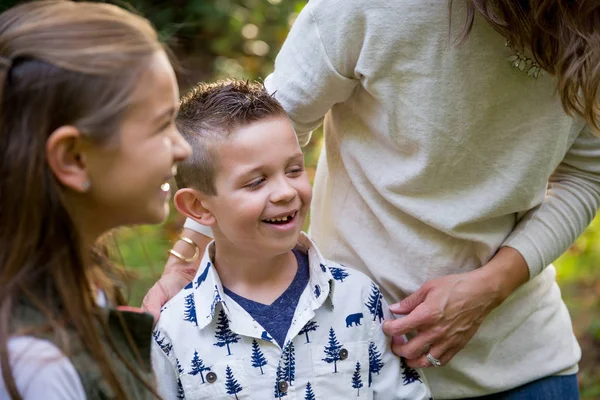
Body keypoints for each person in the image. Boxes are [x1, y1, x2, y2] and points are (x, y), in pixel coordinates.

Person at [144, 0, 600, 398]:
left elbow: (586, 176)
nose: (283, 189)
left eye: (294, 172)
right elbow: (255, 137)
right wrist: (189, 254)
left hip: (522, 364)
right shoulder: (370, 7)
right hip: (344, 351)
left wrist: (492, 286)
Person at [150, 80, 432, 400]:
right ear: (199, 207)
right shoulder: (173, 330)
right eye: (256, 182)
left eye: (294, 169)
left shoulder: (359, 298)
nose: (286, 192)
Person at [0, 1, 191, 399]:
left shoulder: (81, 288)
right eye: (162, 125)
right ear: (74, 157)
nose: (182, 148)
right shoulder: (34, 368)